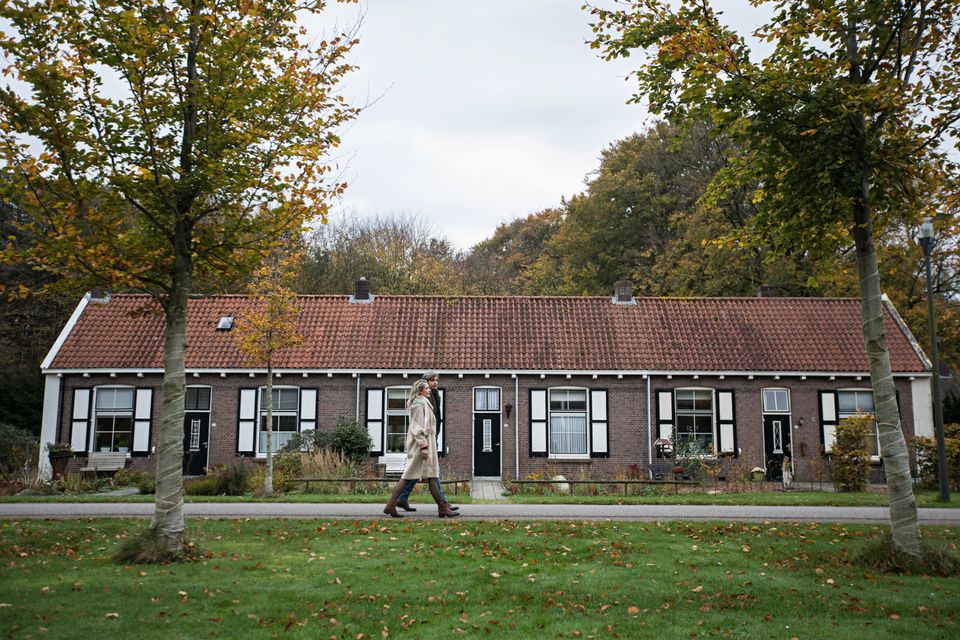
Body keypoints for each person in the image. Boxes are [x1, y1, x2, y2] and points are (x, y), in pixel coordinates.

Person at [383, 379, 459, 518]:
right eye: (427, 388)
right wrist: (423, 447)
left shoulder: (423, 402)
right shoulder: (418, 405)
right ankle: (392, 505)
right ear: (420, 391)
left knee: (430, 475)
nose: (429, 389)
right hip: (422, 445)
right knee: (411, 476)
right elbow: (417, 428)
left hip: (426, 442)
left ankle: (392, 505)